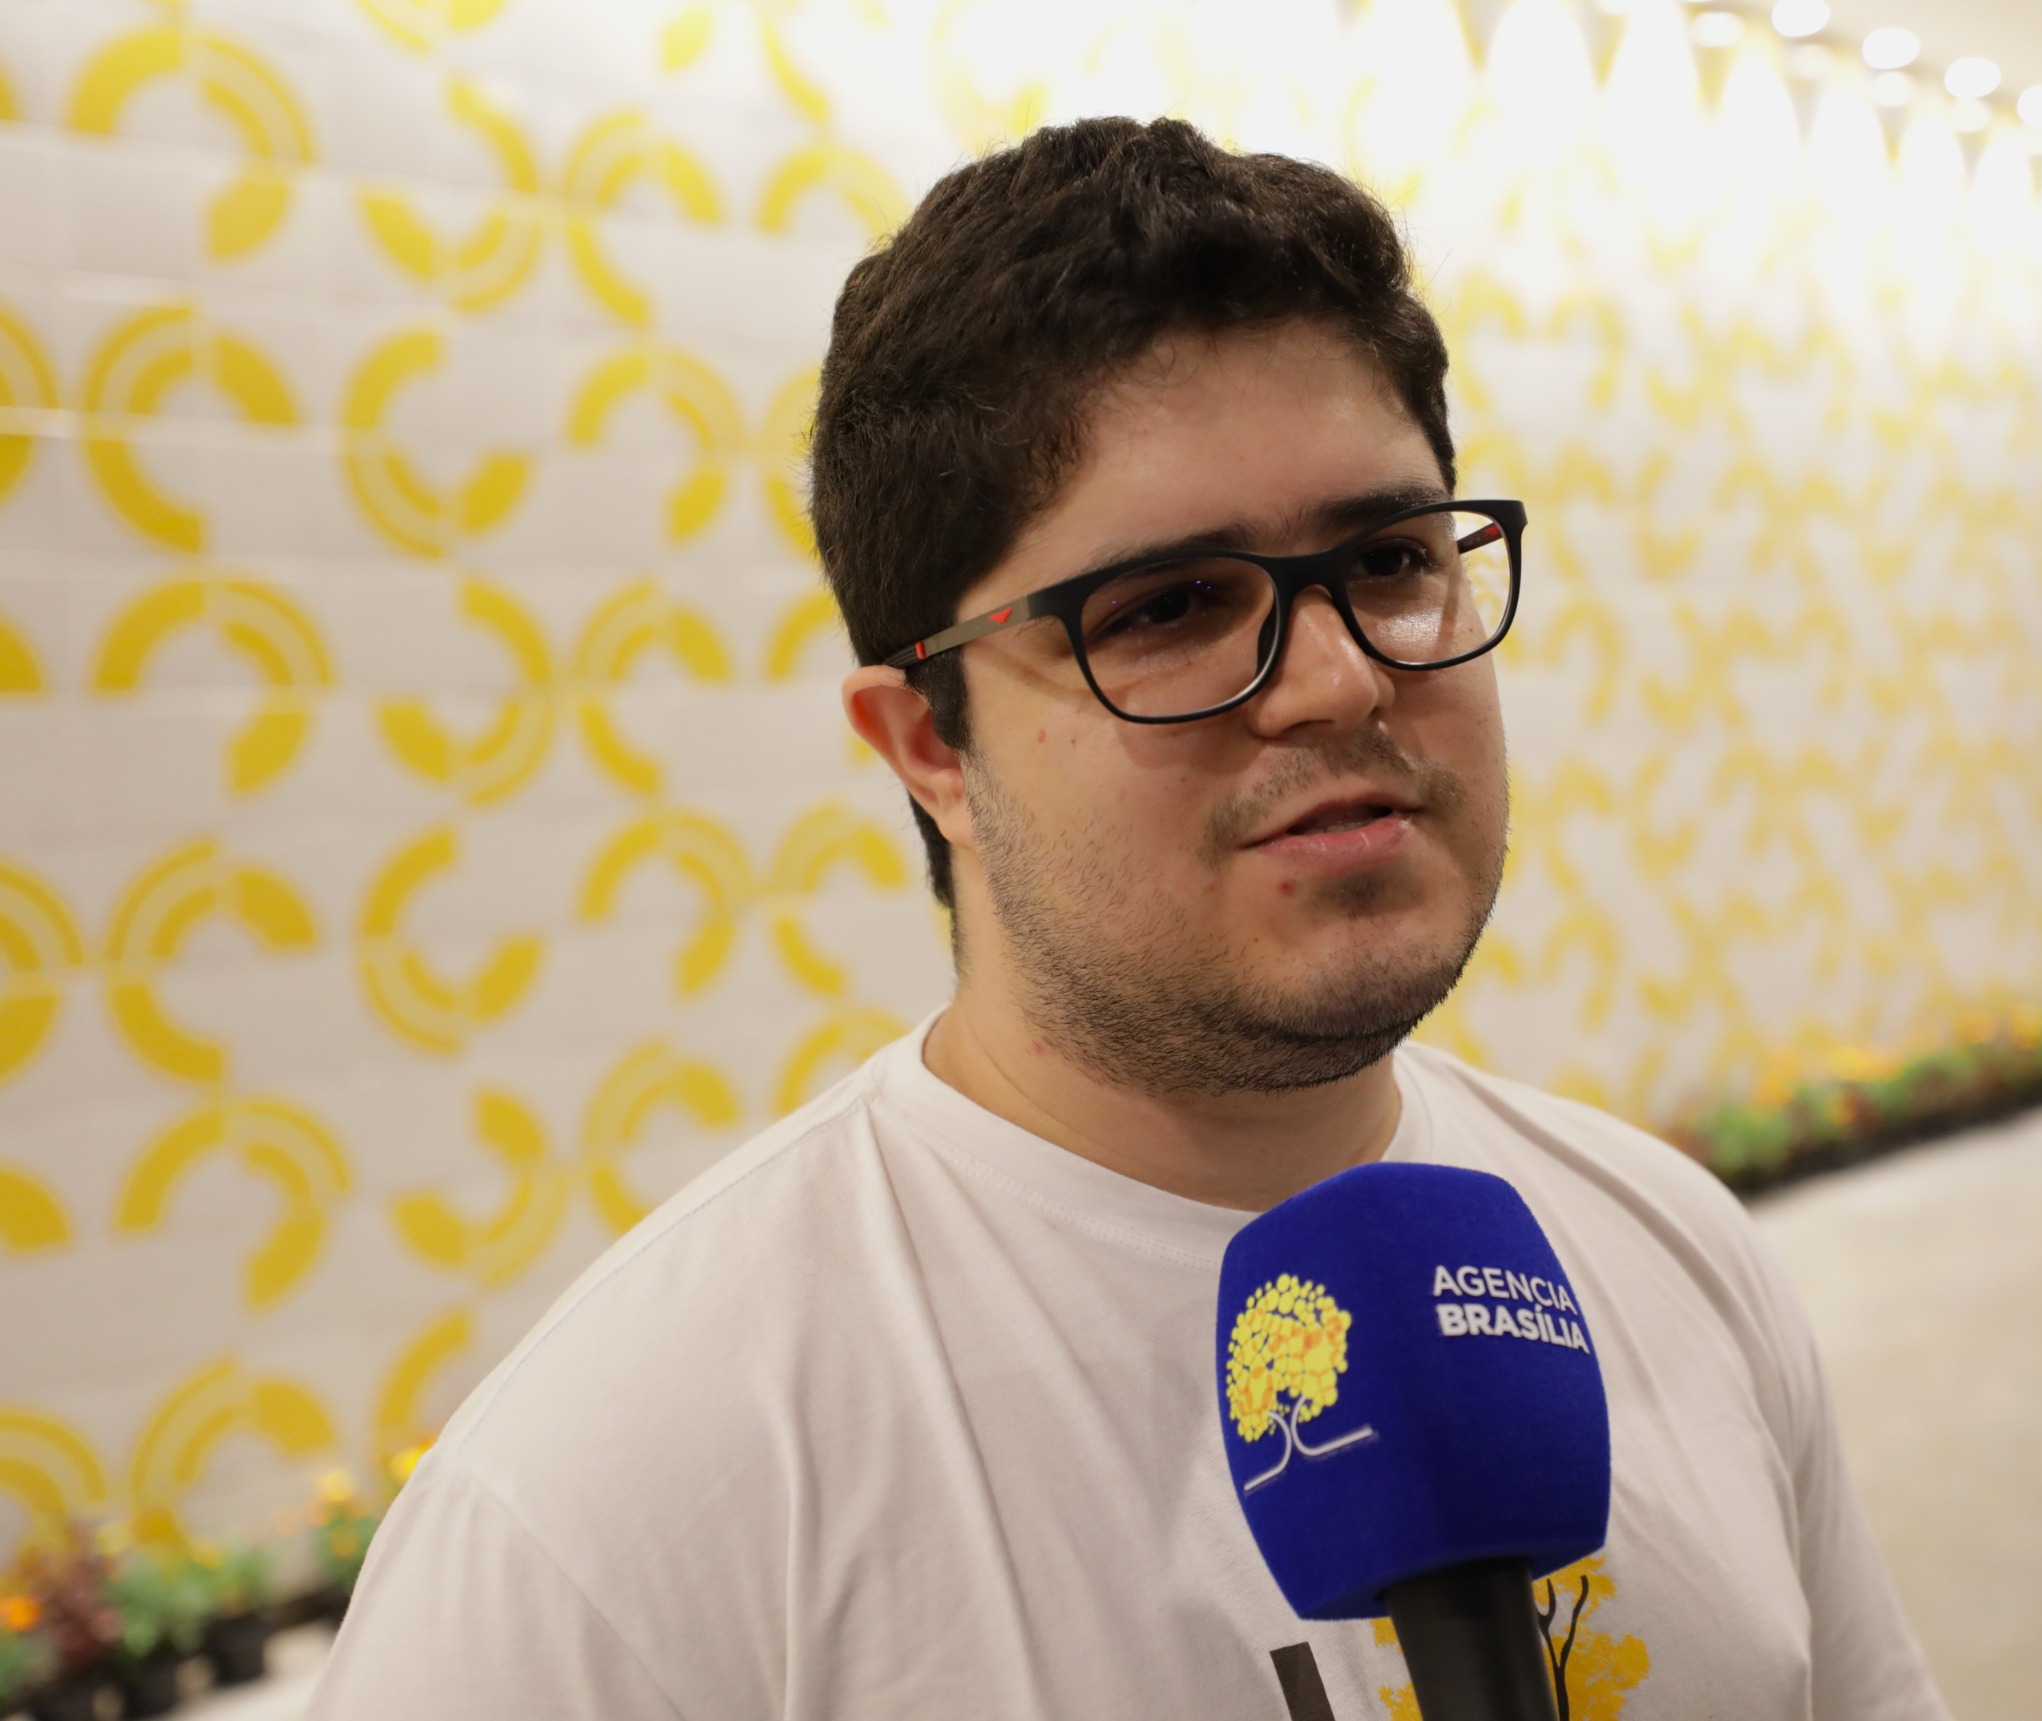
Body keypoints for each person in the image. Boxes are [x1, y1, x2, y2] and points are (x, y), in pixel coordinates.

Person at [309, 117, 1948, 1721]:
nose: (1339, 678)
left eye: (1391, 560)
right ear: (931, 744)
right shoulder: (612, 1510)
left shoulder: (1669, 1247)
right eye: (1167, 606)